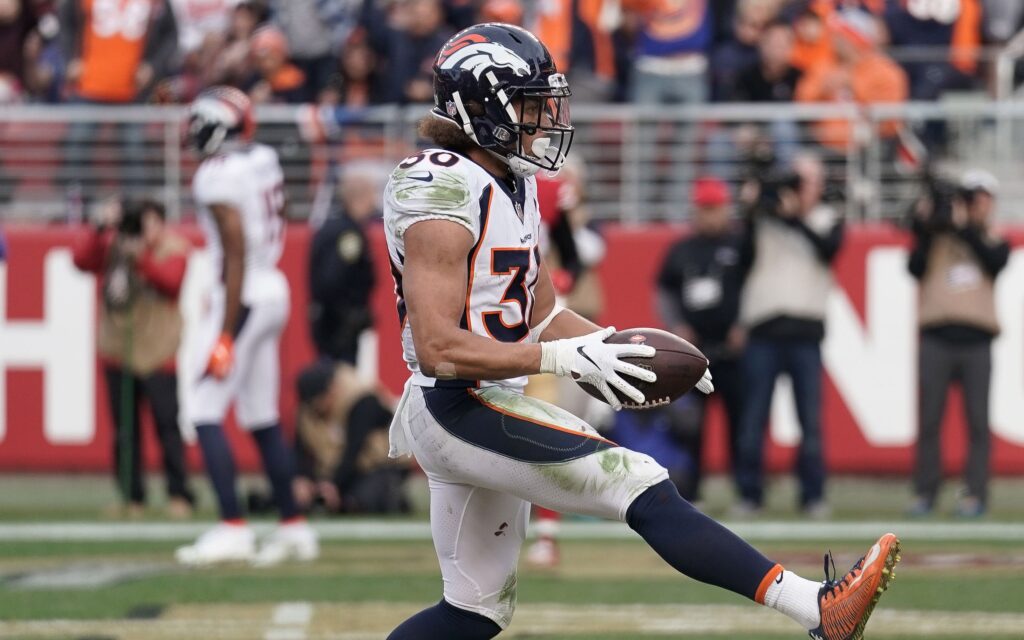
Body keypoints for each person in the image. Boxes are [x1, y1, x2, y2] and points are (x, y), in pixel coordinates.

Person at [382, 23, 898, 640]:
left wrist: (617, 350)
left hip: (487, 399)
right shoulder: (440, 182)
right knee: (640, 482)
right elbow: (440, 349)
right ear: (480, 105)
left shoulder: (511, 182)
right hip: (457, 404)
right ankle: (818, 608)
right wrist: (563, 359)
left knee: (473, 611)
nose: (541, 121)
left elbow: (542, 311)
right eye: (526, 104)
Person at [175, 86, 318, 567]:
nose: (190, 132)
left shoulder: (216, 176)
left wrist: (226, 333)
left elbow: (234, 251)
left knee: (203, 407)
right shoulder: (262, 158)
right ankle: (293, 525)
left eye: (198, 122)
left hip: (243, 297)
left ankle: (233, 526)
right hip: (270, 287)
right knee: (260, 415)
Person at [734, 151, 843, 518]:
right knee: (753, 417)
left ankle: (813, 495)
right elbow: (741, 257)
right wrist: (753, 208)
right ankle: (750, 494)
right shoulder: (764, 219)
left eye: (807, 182)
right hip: (764, 328)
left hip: (806, 332)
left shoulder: (827, 218)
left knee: (809, 420)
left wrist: (793, 216)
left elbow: (827, 249)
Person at [71, 197, 194, 519]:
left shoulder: (174, 248)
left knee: (167, 427)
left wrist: (140, 257)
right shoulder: (113, 246)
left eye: (150, 222)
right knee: (125, 430)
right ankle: (131, 496)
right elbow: (81, 261)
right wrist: (100, 227)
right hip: (118, 351)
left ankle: (179, 493)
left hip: (158, 351)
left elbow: (171, 282)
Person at [907, 169, 1010, 518]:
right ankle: (925, 492)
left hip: (976, 342)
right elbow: (914, 264)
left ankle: (975, 494)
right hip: (936, 337)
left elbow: (994, 260)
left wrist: (963, 224)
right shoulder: (937, 237)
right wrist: (929, 219)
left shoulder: (994, 239)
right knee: (930, 421)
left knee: (978, 423)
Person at [656, 176, 750, 502]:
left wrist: (744, 323)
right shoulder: (682, 249)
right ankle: (691, 490)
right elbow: (664, 291)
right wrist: (677, 325)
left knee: (742, 424)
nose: (710, 215)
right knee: (691, 426)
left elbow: (756, 286)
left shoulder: (741, 245)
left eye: (715, 208)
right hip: (694, 354)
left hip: (734, 351)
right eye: (705, 209)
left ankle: (747, 492)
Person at [293, 359, 408, 515]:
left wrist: (333, 485)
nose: (316, 408)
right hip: (334, 468)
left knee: (359, 501)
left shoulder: (361, 399)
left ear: (332, 390)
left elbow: (354, 448)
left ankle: (391, 498)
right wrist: (302, 477)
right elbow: (301, 446)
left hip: (376, 467)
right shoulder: (309, 408)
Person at [308, 164, 379, 365]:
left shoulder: (332, 226)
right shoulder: (348, 234)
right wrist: (349, 314)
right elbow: (332, 281)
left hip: (329, 323)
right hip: (338, 328)